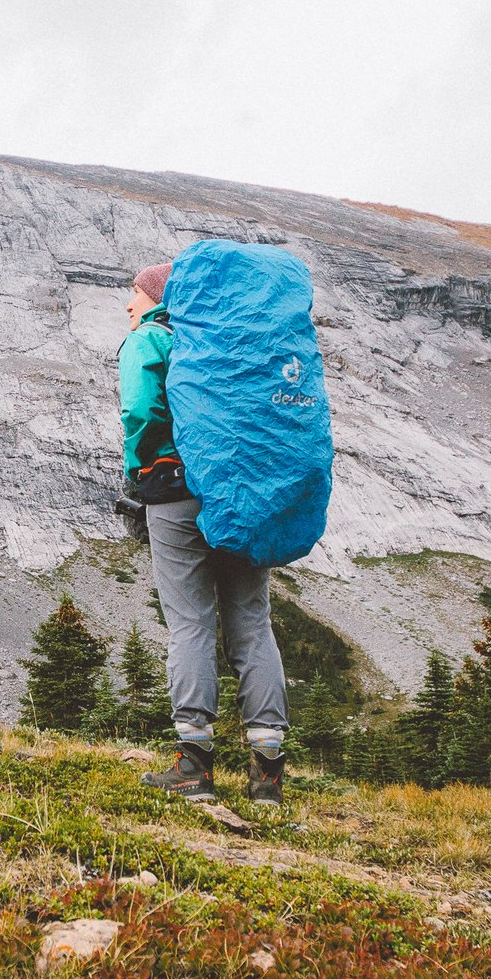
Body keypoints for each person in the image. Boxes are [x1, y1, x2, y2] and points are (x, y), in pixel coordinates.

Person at [119, 261, 290, 805]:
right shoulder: (225, 344)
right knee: (253, 624)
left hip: (175, 491)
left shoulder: (152, 337)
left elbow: (142, 409)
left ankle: (193, 764)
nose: (129, 305)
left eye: (137, 293)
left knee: (190, 623)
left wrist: (141, 467)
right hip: (241, 494)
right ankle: (267, 774)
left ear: (159, 297)